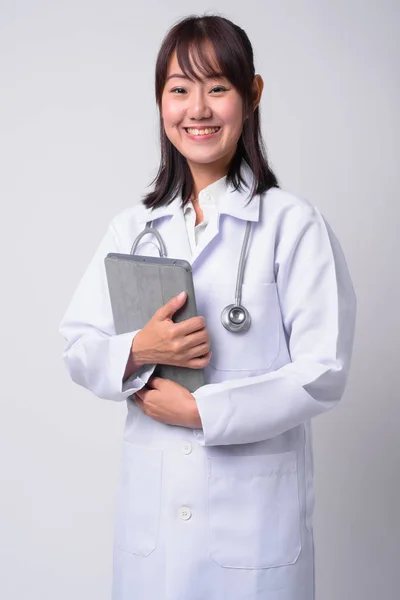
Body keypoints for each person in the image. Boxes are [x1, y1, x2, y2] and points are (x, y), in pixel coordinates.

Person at [59, 14, 357, 600]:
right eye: (179, 89)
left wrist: (203, 412)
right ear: (160, 102)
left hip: (254, 537)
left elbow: (323, 372)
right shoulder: (132, 229)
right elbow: (79, 346)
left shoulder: (293, 225)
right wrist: (139, 350)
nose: (197, 109)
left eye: (218, 87)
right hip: (154, 534)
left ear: (252, 95)